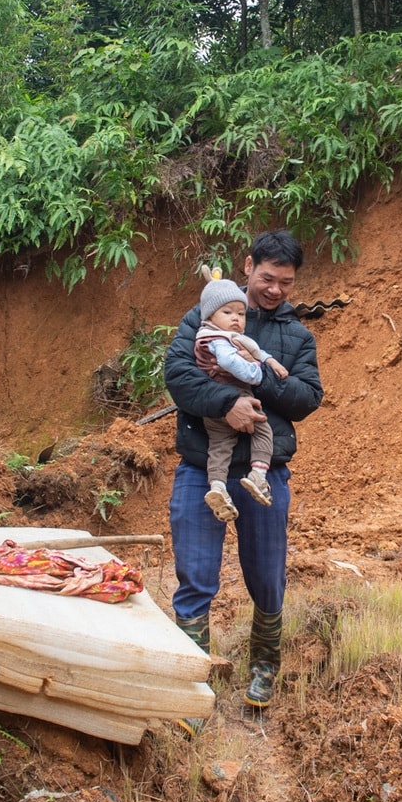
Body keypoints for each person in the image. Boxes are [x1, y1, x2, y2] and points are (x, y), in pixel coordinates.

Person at [162, 230, 322, 713]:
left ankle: (264, 668)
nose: (275, 290)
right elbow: (178, 375)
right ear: (249, 266)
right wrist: (228, 401)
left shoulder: (296, 336)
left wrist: (256, 376)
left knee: (267, 576)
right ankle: (193, 685)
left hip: (263, 471)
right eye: (268, 278)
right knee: (194, 575)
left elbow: (307, 397)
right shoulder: (206, 314)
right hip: (200, 467)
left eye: (286, 283)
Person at [191, 275, 289, 522]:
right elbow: (228, 361)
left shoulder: (214, 335)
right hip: (235, 395)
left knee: (220, 447)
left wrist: (269, 362)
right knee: (263, 431)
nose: (236, 318)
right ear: (210, 315)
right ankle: (258, 475)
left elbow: (255, 350)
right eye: (227, 312)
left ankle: (217, 486)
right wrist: (255, 373)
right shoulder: (219, 340)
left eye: (241, 313)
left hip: (212, 406)